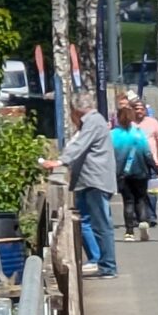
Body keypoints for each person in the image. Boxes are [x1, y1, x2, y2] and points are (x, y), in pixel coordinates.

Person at [42, 92, 118, 278]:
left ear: (75, 110)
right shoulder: (91, 122)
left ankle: (108, 266)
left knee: (101, 224)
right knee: (85, 221)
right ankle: (98, 260)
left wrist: (60, 162)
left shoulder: (93, 121)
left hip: (95, 181)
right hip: (87, 181)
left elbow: (80, 145)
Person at [111, 105, 156, 242]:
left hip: (122, 173)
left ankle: (129, 232)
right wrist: (154, 167)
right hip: (140, 171)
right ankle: (143, 222)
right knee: (141, 199)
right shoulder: (138, 133)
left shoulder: (112, 135)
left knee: (128, 201)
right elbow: (147, 153)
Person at [133, 100, 158, 227]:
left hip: (152, 162)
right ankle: (139, 216)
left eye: (141, 109)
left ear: (145, 110)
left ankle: (151, 216)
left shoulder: (153, 122)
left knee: (151, 190)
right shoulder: (129, 124)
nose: (139, 111)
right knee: (137, 191)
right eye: (136, 109)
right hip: (135, 162)